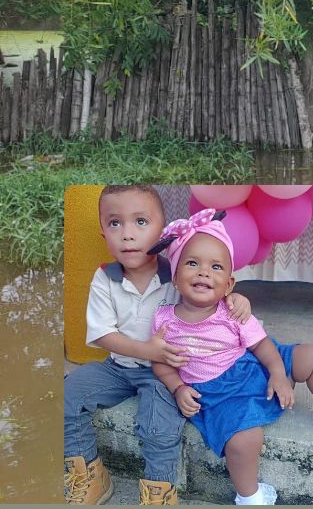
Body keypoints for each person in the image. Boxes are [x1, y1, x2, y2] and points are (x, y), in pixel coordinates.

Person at [149, 209, 313, 506]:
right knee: (244, 441)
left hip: (253, 364)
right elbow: (160, 361)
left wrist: (278, 373)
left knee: (309, 354)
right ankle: (250, 496)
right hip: (220, 393)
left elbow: (261, 345)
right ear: (175, 279)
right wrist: (177, 387)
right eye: (192, 263)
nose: (204, 272)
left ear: (229, 284)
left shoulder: (234, 310)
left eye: (216, 267)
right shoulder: (164, 320)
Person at [64, 186, 253, 505]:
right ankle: (89, 473)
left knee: (157, 425)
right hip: (118, 369)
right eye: (115, 223)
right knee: (68, 394)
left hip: (164, 373)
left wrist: (235, 298)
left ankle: (159, 491)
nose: (127, 235)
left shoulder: (179, 273)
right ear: (103, 233)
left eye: (140, 222)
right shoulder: (104, 278)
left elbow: (210, 295)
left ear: (163, 230)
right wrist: (147, 350)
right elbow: (102, 335)